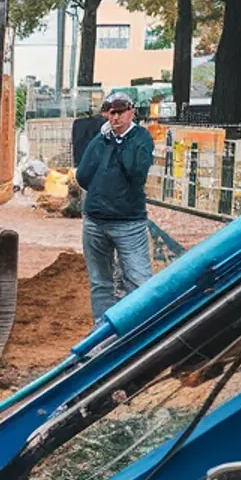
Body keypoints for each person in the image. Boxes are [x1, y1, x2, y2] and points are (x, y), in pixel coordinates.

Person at [75, 91, 155, 322]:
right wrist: (104, 141)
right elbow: (83, 175)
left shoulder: (141, 138)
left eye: (120, 112)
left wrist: (118, 143)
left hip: (128, 222)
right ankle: (102, 330)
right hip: (95, 220)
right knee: (100, 282)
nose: (115, 117)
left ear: (131, 112)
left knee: (138, 280)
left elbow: (135, 172)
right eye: (111, 113)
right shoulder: (101, 139)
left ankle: (140, 328)